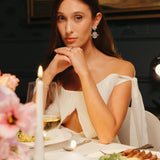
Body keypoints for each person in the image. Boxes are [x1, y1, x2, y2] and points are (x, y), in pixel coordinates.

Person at [41, 0, 148, 146]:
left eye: (78, 17)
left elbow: (106, 135)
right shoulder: (57, 68)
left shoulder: (121, 69)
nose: (68, 29)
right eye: (62, 18)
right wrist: (48, 74)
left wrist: (84, 73)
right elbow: (26, 127)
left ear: (95, 20)